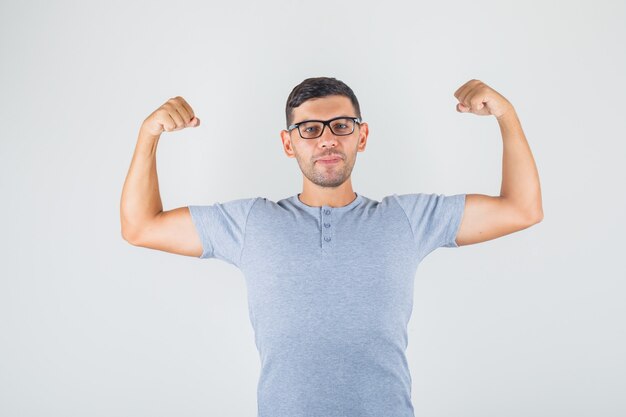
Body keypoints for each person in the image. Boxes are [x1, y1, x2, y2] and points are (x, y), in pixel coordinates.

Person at [120, 76, 543, 417]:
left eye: (341, 126)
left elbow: (522, 209)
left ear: (362, 136)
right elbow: (141, 226)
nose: (327, 139)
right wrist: (148, 134)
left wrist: (506, 115)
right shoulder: (251, 223)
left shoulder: (407, 219)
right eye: (310, 129)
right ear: (289, 144)